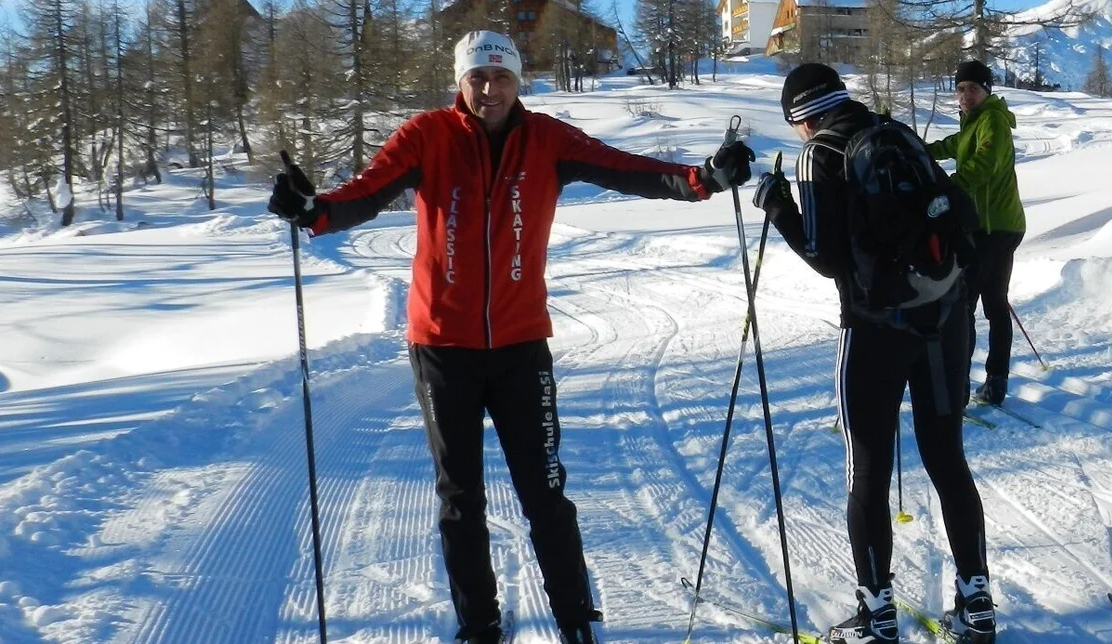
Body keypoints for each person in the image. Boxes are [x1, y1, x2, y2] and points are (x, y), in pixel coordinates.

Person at [265, 30, 753, 644]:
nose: (490, 90)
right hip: (443, 347)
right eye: (478, 78)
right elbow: (365, 193)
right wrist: (313, 209)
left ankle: (576, 619)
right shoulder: (428, 136)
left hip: (522, 346)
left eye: (501, 78)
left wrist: (702, 177)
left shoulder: (547, 139)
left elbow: (625, 169)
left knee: (545, 492)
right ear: (460, 82)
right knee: (461, 497)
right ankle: (480, 623)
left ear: (518, 82)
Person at [751, 63, 994, 644]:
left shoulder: (821, 153)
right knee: (948, 460)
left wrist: (778, 205)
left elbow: (827, 256)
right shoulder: (897, 133)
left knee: (869, 469)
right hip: (944, 318)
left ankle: (876, 613)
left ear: (801, 118)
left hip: (874, 328)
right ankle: (976, 603)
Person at [925, 60, 1026, 406]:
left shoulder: (994, 121)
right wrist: (922, 152)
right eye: (960, 88)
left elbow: (984, 164)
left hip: (992, 228)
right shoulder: (975, 123)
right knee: (995, 303)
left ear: (987, 91)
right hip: (998, 226)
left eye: (972, 88)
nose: (965, 95)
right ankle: (995, 381)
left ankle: (960, 384)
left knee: (965, 304)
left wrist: (950, 191)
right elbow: (953, 145)